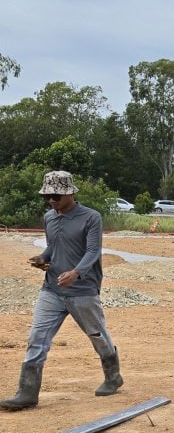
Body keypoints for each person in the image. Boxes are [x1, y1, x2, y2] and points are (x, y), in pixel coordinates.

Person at [1, 171, 123, 412]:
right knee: (37, 338)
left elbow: (92, 252)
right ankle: (26, 392)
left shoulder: (91, 217)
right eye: (48, 196)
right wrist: (42, 258)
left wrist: (76, 272)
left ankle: (113, 376)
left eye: (56, 196)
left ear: (70, 193)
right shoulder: (49, 217)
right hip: (51, 289)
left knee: (97, 335)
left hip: (83, 290)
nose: (52, 201)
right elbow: (52, 248)